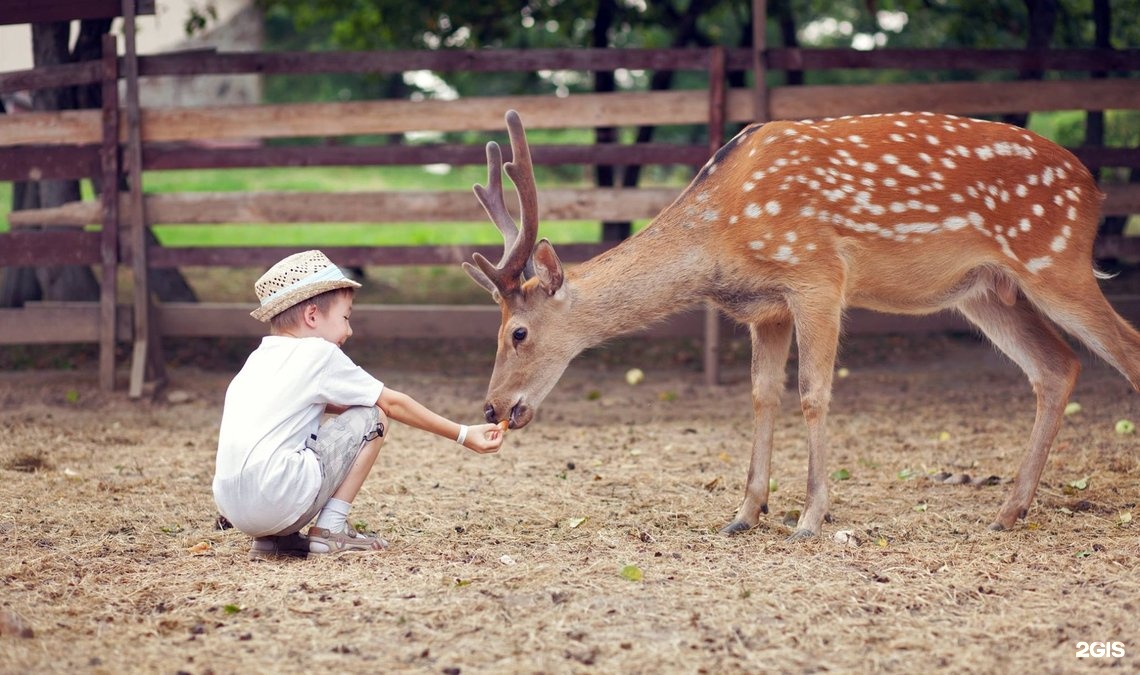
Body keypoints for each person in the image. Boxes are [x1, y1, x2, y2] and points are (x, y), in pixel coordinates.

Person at [213, 250, 504, 560]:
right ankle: (331, 530)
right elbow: (391, 403)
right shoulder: (318, 354)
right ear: (313, 316)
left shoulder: (257, 360)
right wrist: (463, 434)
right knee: (373, 415)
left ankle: (271, 540)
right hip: (278, 496)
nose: (349, 331)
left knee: (330, 426)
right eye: (345, 317)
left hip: (235, 505)